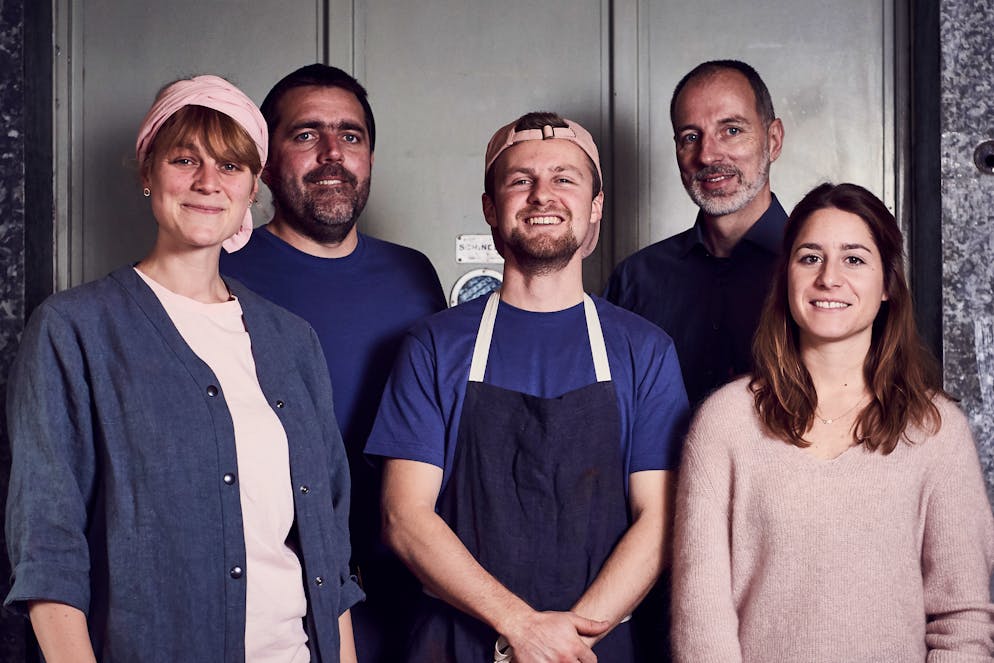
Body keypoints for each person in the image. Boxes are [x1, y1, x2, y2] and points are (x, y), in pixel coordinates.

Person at [4, 75, 361, 662]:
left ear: (253, 188)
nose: (206, 183)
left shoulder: (292, 342)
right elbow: (48, 548)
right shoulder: (74, 331)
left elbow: (328, 545)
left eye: (230, 167)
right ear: (148, 172)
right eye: (184, 159)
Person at [365, 112, 689, 662]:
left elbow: (660, 520)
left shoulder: (645, 350)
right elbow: (405, 518)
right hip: (458, 646)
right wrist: (519, 627)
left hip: (592, 651)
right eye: (520, 180)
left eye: (565, 178)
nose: (543, 195)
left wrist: (566, 643)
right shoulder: (433, 345)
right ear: (491, 207)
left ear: (596, 207)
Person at [671, 182, 994, 661]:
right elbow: (703, 623)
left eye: (855, 259)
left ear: (887, 284)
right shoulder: (726, 423)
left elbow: (962, 621)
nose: (829, 278)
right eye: (810, 257)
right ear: (786, 277)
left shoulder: (936, 431)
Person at [218, 63, 445, 662]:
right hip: (276, 584)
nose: (331, 154)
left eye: (350, 136)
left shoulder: (413, 273)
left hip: (405, 575)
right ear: (265, 163)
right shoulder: (218, 272)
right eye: (304, 135)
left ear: (369, 155)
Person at [605, 60, 786, 406]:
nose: (707, 154)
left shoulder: (822, 273)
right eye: (691, 137)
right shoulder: (636, 280)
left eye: (731, 130)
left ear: (773, 139)